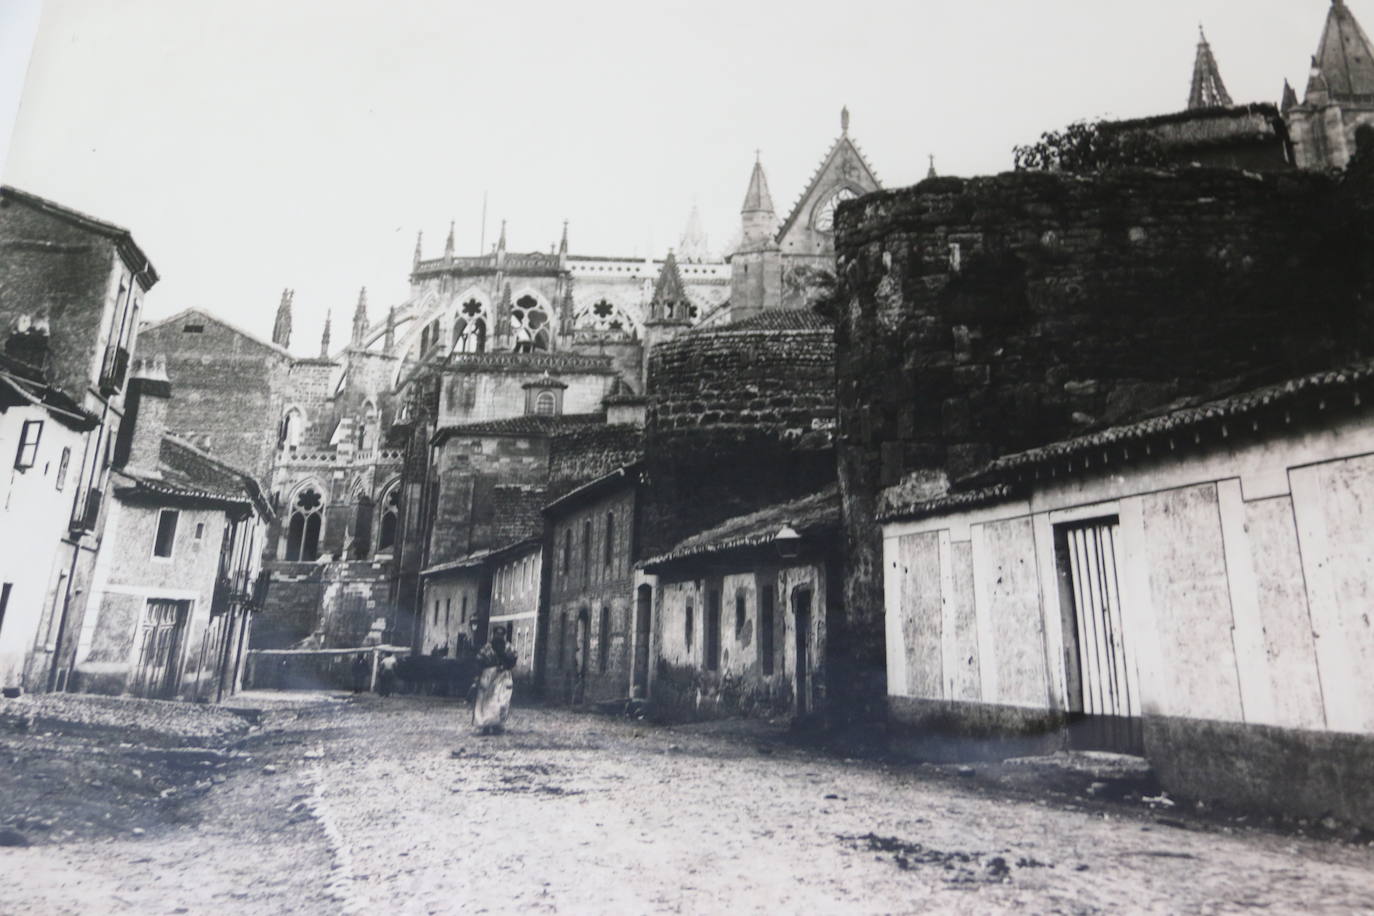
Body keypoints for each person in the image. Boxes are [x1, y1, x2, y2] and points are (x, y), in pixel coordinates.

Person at [471, 626, 518, 735]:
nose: (499, 636)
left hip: (503, 676)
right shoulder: (487, 648)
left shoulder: (508, 648)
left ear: (504, 636)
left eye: (501, 634)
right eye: (497, 634)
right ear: (493, 634)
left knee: (502, 700)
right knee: (486, 701)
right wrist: (478, 675)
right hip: (488, 676)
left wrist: (506, 665)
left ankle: (498, 724)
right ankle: (486, 725)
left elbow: (513, 659)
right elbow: (479, 661)